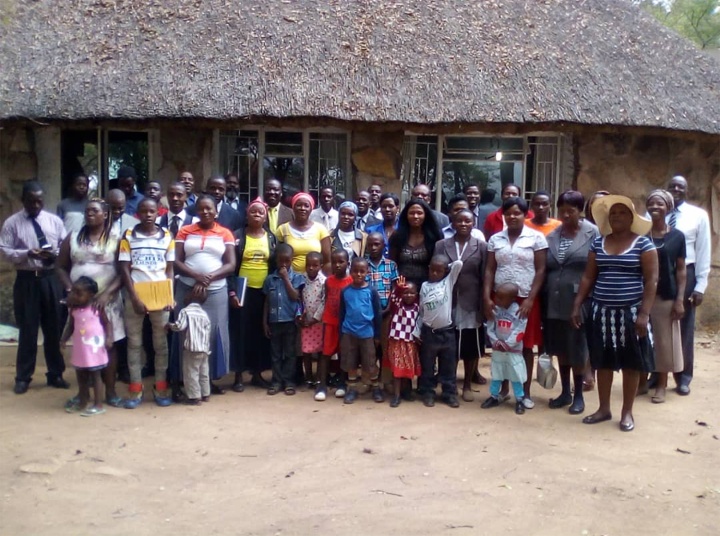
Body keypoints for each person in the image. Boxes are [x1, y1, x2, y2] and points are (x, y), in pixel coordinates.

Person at [571, 195, 657, 432]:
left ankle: (627, 412)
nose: (617, 216)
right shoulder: (598, 244)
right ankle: (603, 408)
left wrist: (644, 314)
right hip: (601, 312)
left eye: (622, 212)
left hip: (631, 313)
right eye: (613, 213)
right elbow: (589, 276)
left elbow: (651, 281)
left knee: (631, 364)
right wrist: (577, 304)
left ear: (632, 217)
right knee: (603, 362)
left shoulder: (643, 245)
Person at [0, 180, 69, 394]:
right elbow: (4, 250)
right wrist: (27, 253)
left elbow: (64, 246)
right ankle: (23, 377)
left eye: (40, 201)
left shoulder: (54, 221)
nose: (36, 205)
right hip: (27, 280)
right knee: (28, 329)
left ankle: (55, 374)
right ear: (23, 200)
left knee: (54, 328)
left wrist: (53, 255)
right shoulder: (12, 223)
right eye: (32, 201)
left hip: (51, 279)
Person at [57, 198, 125, 407]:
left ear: (105, 215)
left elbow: (124, 272)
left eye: (94, 211)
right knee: (83, 347)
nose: (89, 214)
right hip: (79, 304)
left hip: (108, 301)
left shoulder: (116, 238)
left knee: (109, 347)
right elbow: (60, 266)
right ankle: (83, 393)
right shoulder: (73, 237)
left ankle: (111, 391)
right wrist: (71, 290)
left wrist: (106, 295)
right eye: (87, 211)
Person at [483, 196, 547, 409]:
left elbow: (540, 270)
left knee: (524, 346)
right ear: (503, 215)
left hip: (525, 299)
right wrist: (486, 297)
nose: (512, 216)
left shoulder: (536, 238)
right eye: (508, 213)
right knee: (501, 345)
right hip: (500, 299)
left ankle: (525, 392)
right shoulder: (495, 239)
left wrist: (530, 299)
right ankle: (501, 391)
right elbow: (490, 269)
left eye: (517, 213)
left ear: (524, 214)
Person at [174, 194, 236, 395]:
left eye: (209, 208)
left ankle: (208, 380)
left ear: (216, 211)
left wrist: (209, 277)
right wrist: (196, 276)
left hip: (216, 290)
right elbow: (176, 261)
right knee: (185, 332)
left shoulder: (225, 233)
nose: (206, 212)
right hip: (186, 287)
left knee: (212, 333)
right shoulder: (185, 231)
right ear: (196, 211)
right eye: (201, 208)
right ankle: (183, 380)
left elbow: (231, 264)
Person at [544, 190, 599, 415]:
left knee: (576, 348)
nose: (566, 215)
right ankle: (564, 391)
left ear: (580, 211)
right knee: (560, 348)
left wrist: (583, 301)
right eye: (562, 211)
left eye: (571, 211)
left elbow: (595, 269)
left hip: (579, 301)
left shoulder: (593, 234)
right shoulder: (553, 235)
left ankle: (578, 395)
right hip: (554, 300)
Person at [118, 198, 175, 408]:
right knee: (134, 343)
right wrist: (133, 297)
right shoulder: (129, 236)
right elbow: (124, 268)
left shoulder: (167, 236)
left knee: (161, 344)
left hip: (160, 295)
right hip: (135, 294)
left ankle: (160, 386)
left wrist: (169, 295)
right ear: (138, 214)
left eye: (152, 211)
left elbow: (169, 268)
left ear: (157, 213)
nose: (148, 215)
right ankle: (135, 389)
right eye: (144, 211)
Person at [435, 209, 487, 402]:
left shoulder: (481, 246)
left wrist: (484, 303)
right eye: (460, 221)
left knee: (470, 344)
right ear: (453, 223)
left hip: (470, 302)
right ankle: (449, 383)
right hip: (446, 301)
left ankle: (467, 384)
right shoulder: (441, 245)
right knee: (449, 344)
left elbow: (484, 277)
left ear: (473, 224)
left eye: (468, 221)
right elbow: (435, 273)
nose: (464, 224)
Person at [666, 175, 711, 396]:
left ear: (686, 190)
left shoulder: (698, 215)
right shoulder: (654, 212)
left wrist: (700, 286)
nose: (675, 189)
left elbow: (703, 250)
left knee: (683, 328)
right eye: (672, 186)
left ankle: (683, 377)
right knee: (657, 326)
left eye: (680, 186)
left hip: (688, 273)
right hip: (660, 274)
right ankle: (656, 375)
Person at [230, 198, 276, 392]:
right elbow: (231, 266)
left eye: (261, 212)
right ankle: (238, 374)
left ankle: (257, 373)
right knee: (240, 332)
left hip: (263, 291)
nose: (257, 214)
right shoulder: (238, 236)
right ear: (247, 215)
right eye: (253, 212)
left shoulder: (271, 238)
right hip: (242, 291)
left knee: (260, 333)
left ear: (265, 217)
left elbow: (273, 264)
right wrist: (232, 290)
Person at [646, 189, 686, 403]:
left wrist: (679, 300)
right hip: (642, 294)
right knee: (640, 338)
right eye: (651, 203)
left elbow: (681, 270)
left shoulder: (677, 236)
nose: (655, 207)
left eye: (660, 204)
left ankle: (661, 384)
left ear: (668, 208)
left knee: (663, 341)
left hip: (665, 295)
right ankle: (642, 380)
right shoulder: (641, 234)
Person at [414, 255, 463, 408]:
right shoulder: (424, 286)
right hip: (429, 333)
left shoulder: (448, 282)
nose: (435, 273)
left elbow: (459, 263)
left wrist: (447, 267)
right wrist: (417, 331)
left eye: (439, 271)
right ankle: (428, 392)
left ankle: (449, 393)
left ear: (445, 272)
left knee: (448, 365)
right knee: (427, 365)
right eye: (432, 270)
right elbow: (421, 311)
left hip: (447, 333)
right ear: (428, 269)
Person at [61, 276, 112, 416]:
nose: (74, 296)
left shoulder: (97, 308)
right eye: (73, 292)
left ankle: (98, 404)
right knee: (81, 376)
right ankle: (83, 401)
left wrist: (109, 338)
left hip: (94, 349)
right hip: (80, 350)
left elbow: (107, 323)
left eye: (79, 293)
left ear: (90, 295)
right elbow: (70, 326)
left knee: (96, 376)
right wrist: (63, 340)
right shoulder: (73, 310)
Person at [262, 243, 305, 396]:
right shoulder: (270, 279)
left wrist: (286, 279)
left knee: (290, 353)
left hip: (290, 322)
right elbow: (267, 301)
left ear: (292, 260)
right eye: (281, 261)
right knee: (275, 353)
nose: (284, 264)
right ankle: (276, 381)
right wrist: (265, 322)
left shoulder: (297, 278)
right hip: (274, 322)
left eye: (287, 261)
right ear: (276, 261)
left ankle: (289, 381)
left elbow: (295, 296)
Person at [339, 257, 383, 404]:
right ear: (350, 272)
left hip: (367, 333)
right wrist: (341, 333)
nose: (358, 274)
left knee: (370, 363)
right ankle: (352, 389)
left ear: (367, 272)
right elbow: (342, 313)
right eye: (355, 271)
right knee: (350, 363)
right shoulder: (345, 291)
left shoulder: (372, 291)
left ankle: (376, 387)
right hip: (349, 333)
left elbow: (377, 314)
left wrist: (377, 335)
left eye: (362, 271)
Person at [481, 282, 528, 415]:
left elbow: (520, 330)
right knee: (497, 373)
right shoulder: (495, 309)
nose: (497, 299)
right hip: (498, 349)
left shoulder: (519, 311)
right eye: (496, 296)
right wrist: (495, 342)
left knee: (516, 375)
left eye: (501, 298)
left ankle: (519, 399)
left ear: (512, 298)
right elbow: (490, 326)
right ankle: (494, 396)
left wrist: (508, 344)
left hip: (512, 350)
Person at [315, 250, 352, 401]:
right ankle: (322, 385)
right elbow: (325, 300)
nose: (337, 265)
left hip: (344, 323)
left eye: (341, 262)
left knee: (343, 354)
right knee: (326, 353)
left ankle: (342, 384)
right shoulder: (328, 281)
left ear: (347, 263)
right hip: (329, 321)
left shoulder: (351, 281)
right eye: (334, 261)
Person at [166, 292, 212, 406]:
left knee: (191, 373)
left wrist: (169, 325)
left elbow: (180, 326)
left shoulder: (185, 311)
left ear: (191, 297)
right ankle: (206, 394)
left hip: (191, 348)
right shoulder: (204, 314)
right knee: (204, 372)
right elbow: (208, 331)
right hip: (204, 349)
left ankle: (194, 397)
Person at [389, 199, 443, 289]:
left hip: (427, 288)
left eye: (419, 213)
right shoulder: (397, 236)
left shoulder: (435, 236)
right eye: (411, 213)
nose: (415, 216)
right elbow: (392, 264)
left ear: (426, 215)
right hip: (402, 288)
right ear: (406, 215)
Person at [276, 192, 331, 274]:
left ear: (311, 209)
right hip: (289, 279)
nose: (302, 208)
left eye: (306, 205)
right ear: (293, 207)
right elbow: (277, 258)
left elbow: (327, 261)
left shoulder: (321, 229)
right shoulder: (282, 229)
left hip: (314, 280)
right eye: (298, 205)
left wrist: (322, 281)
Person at [386, 277, 420, 408]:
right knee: (397, 370)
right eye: (406, 293)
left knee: (408, 369)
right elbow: (394, 297)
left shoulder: (417, 307)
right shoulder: (397, 305)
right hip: (397, 341)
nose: (408, 295)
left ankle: (407, 392)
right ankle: (396, 395)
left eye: (412, 293)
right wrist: (399, 289)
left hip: (410, 343)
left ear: (416, 294)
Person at [298, 252, 326, 388]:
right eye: (308, 265)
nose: (311, 268)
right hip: (305, 321)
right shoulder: (301, 279)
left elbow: (324, 302)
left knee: (320, 351)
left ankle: (319, 377)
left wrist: (315, 319)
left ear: (321, 266)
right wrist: (301, 316)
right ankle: (308, 377)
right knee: (306, 351)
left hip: (318, 322)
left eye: (315, 265)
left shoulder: (324, 281)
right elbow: (299, 299)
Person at [366, 192, 400, 257]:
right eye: (384, 206)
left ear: (397, 208)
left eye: (391, 206)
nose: (387, 209)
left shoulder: (404, 229)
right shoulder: (371, 231)